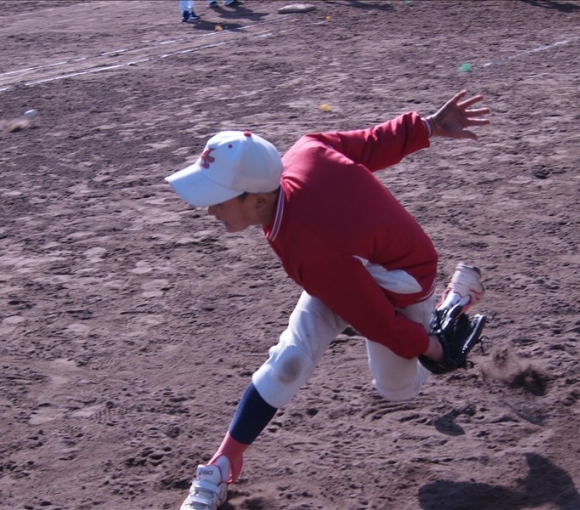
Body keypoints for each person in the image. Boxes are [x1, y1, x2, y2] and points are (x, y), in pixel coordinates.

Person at [165, 90, 491, 510]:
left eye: (217, 200)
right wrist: (426, 126)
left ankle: (453, 304)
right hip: (345, 267)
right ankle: (221, 465)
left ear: (258, 200)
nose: (209, 211)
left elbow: (376, 319)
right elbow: (371, 145)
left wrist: (432, 347)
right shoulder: (303, 153)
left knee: (399, 389)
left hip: (401, 278)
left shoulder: (311, 247)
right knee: (289, 359)